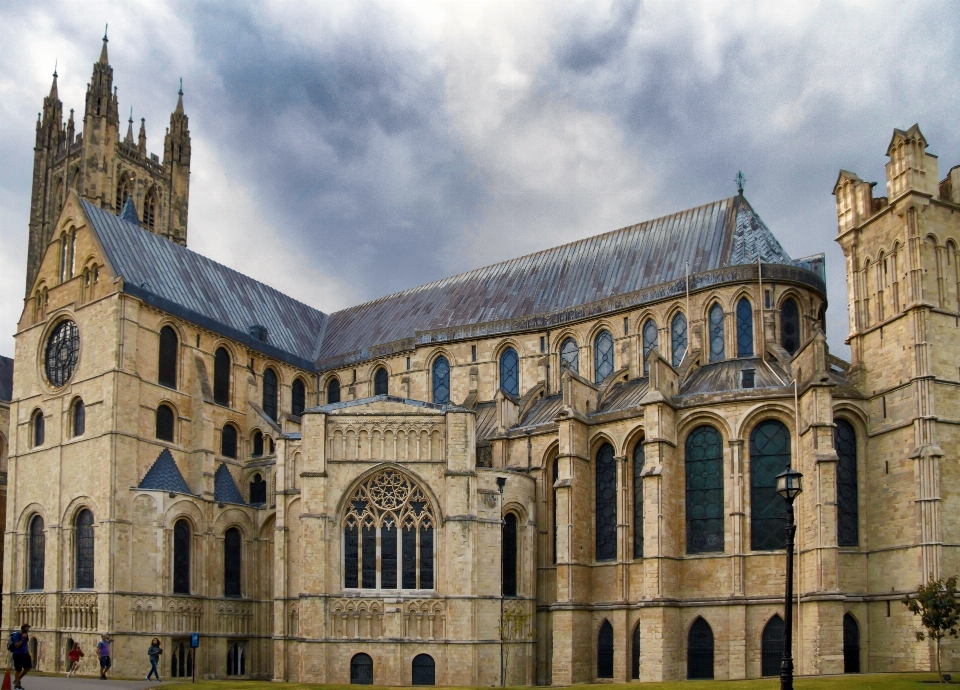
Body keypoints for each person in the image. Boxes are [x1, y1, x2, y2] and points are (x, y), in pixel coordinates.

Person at [9, 623, 31, 690]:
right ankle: (17, 685)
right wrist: (22, 639)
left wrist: (28, 653)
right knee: (18, 669)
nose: (27, 630)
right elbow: (17, 645)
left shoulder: (26, 635)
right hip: (18, 654)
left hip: (25, 654)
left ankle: (17, 680)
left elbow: (26, 644)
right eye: (26, 628)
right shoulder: (17, 635)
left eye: (28, 629)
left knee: (28, 667)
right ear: (22, 628)